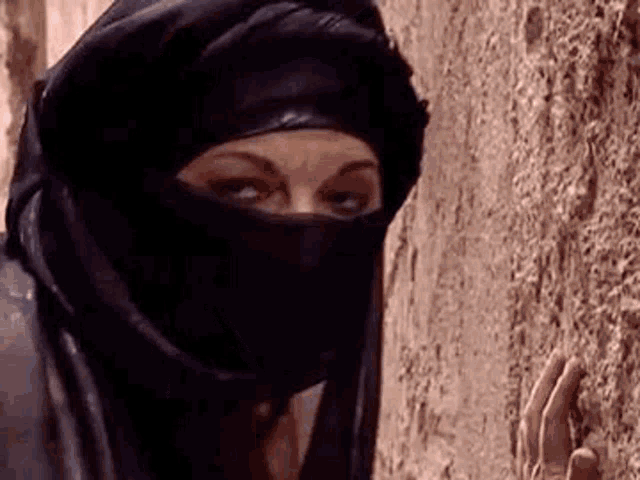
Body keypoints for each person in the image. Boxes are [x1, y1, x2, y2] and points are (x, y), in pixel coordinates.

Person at [1, 0, 603, 479]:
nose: (303, 237)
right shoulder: (16, 377)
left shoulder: (274, 414)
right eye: (243, 189)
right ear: (130, 207)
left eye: (345, 199)